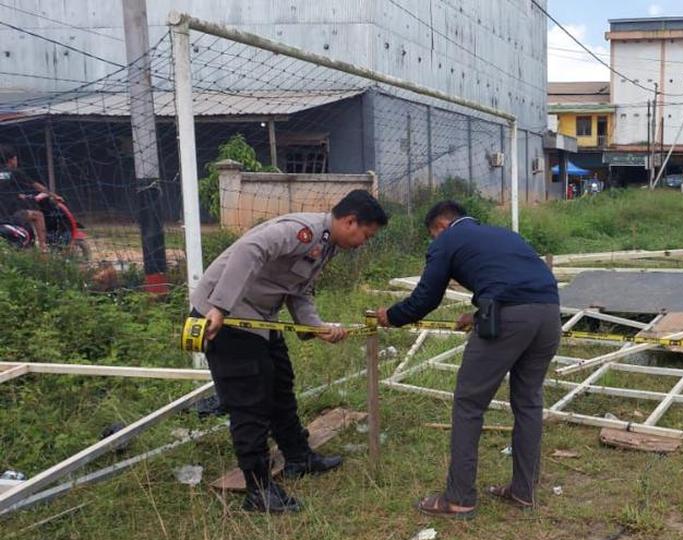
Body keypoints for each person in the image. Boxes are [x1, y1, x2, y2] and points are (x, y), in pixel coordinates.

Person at [191, 189, 388, 513]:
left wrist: (315, 327)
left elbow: (299, 291)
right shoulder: (301, 231)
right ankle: (258, 489)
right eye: (365, 235)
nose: (363, 242)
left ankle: (298, 456)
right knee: (249, 399)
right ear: (350, 221)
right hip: (223, 317)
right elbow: (248, 250)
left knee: (281, 383)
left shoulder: (325, 246)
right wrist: (221, 306)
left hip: (258, 318)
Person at [375, 200, 560, 519]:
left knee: (469, 403)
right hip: (549, 315)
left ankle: (459, 498)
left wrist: (391, 316)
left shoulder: (447, 240)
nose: (435, 241)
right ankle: (523, 491)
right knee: (529, 402)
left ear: (441, 226)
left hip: (509, 318)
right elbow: (514, 281)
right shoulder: (504, 235)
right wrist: (479, 315)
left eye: (433, 235)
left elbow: (426, 297)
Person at [0, 145, 55, 253]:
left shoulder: (4, 174)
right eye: (16, 159)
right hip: (9, 215)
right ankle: (43, 250)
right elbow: (36, 185)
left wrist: (19, 196)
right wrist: (54, 195)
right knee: (38, 215)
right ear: (11, 160)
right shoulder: (13, 172)